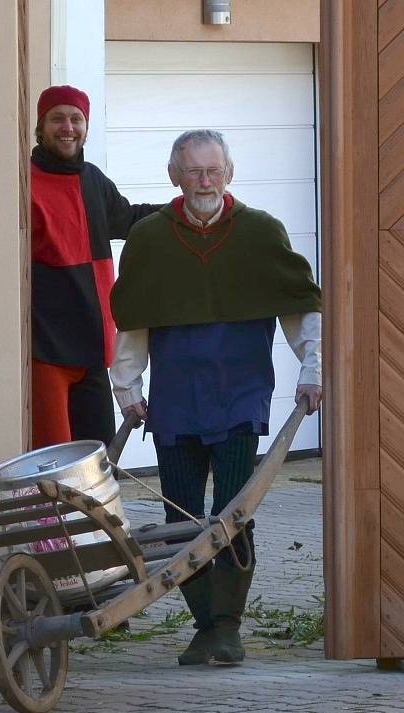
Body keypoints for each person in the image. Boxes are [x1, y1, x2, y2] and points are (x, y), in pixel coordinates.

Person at [109, 129, 322, 666]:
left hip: (239, 399)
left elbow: (300, 310)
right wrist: (127, 388)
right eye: (194, 171)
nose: (205, 181)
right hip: (175, 403)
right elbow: (133, 323)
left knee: (233, 515)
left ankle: (227, 627)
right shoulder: (150, 238)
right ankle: (206, 625)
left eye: (214, 171)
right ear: (173, 176)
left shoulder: (260, 233)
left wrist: (312, 370)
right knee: (178, 516)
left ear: (229, 173)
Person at [31, 85, 160, 450]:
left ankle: (99, 512)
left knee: (98, 458)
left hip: (92, 342)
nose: (67, 127)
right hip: (44, 346)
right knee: (51, 459)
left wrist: (180, 210)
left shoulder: (93, 180)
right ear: (41, 127)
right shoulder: (24, 181)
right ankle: (49, 512)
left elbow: (128, 219)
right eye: (57, 118)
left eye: (76, 119)